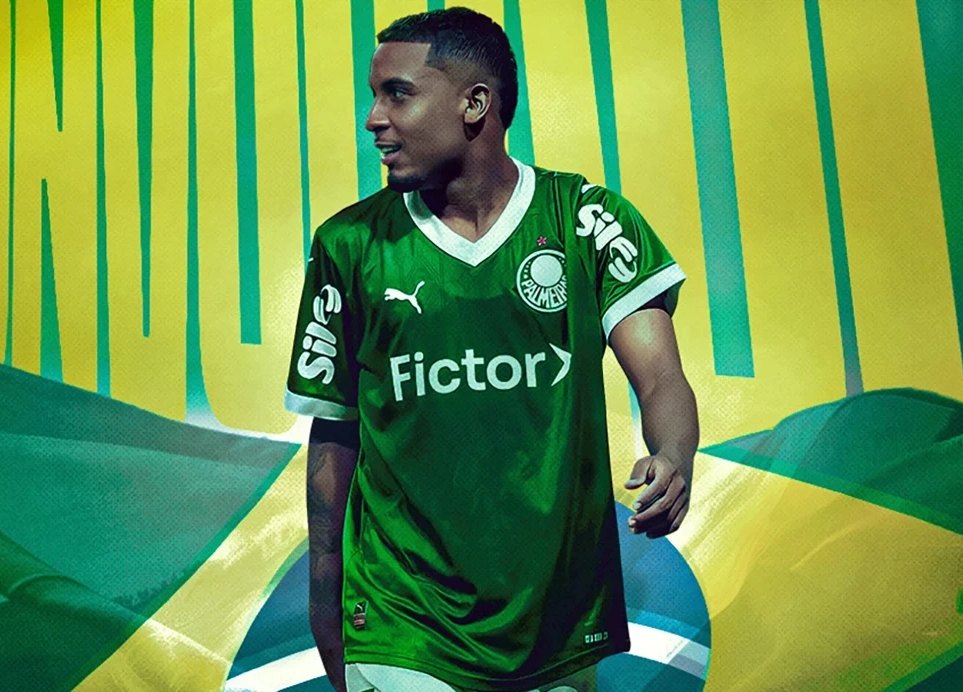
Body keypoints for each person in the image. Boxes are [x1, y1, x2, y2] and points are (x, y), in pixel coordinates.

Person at [284, 7, 699, 692]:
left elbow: (660, 378)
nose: (374, 119)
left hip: (556, 621)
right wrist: (325, 600)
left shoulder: (585, 221)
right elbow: (336, 430)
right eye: (374, 95)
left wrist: (674, 457)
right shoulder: (348, 246)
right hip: (401, 620)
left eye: (398, 94)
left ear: (475, 103)